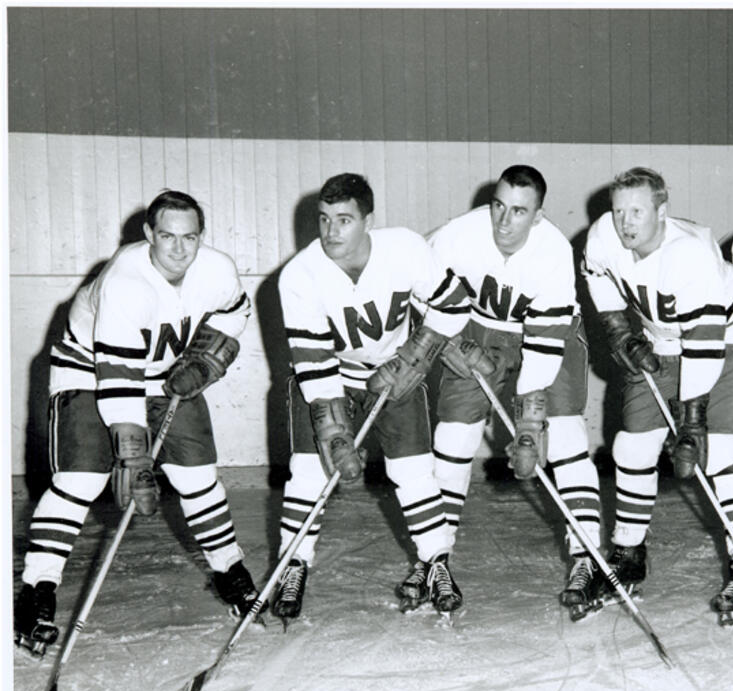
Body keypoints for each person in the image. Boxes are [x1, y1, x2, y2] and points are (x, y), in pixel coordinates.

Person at [14, 190, 259, 658]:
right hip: (90, 372)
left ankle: (231, 573)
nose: (179, 249)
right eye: (167, 236)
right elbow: (120, 381)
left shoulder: (217, 269)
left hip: (164, 374)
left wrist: (207, 360)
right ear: (149, 234)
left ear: (200, 237)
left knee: (198, 478)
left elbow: (235, 312)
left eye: (189, 237)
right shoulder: (126, 283)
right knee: (80, 482)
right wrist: (133, 454)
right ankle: (36, 592)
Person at [274, 173, 477, 622]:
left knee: (414, 473)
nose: (331, 232)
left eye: (344, 220)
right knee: (309, 473)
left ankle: (437, 563)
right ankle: (294, 565)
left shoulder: (403, 248)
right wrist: (333, 427)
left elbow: (453, 305)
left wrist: (415, 357)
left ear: (368, 220)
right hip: (330, 378)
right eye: (324, 220)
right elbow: (313, 359)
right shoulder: (299, 276)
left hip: (396, 373)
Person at [582, 167, 733, 624]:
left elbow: (704, 340)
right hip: (660, 340)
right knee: (631, 447)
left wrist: (692, 421)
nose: (625, 222)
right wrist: (620, 330)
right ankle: (627, 554)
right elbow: (599, 277)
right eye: (620, 210)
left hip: (722, 339)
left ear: (662, 211)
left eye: (637, 211)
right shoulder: (604, 235)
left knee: (720, 453)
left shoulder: (690, 255)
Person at [428, 164, 608, 618]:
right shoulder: (457, 235)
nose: (504, 223)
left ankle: (586, 557)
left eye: (519, 212)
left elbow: (545, 346)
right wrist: (448, 341)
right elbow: (419, 290)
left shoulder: (553, 251)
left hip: (549, 335)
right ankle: (435, 558)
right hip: (477, 331)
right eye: (499, 207)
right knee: (453, 439)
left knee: (564, 437)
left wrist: (529, 422)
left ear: (539, 216)